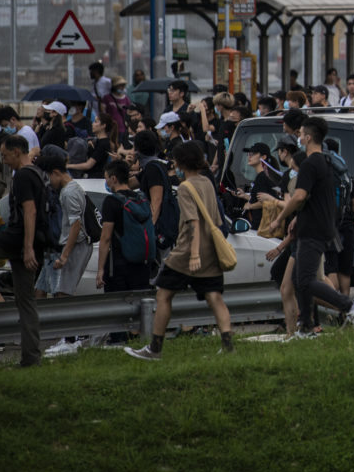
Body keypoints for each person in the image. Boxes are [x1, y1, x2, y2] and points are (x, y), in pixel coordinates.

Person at [125, 144, 238, 360]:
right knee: (214, 297)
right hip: (211, 251)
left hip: (187, 252)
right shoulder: (207, 182)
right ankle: (227, 345)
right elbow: (215, 218)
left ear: (182, 162)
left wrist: (194, 254)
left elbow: (192, 222)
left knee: (163, 295)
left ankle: (155, 348)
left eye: (175, 161)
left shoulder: (186, 187)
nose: (173, 165)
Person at [262, 117, 354, 338]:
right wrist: (297, 218)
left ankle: (350, 306)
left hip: (313, 230)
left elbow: (299, 196)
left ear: (308, 138)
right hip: (313, 226)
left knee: (306, 281)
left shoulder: (310, 164)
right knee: (299, 281)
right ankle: (306, 327)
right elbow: (314, 198)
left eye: (301, 134)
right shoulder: (325, 161)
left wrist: (279, 217)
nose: (299, 138)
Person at [0, 134, 46, 366]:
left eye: (4, 156)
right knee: (26, 304)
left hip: (14, 240)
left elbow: (30, 211)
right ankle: (31, 359)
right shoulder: (38, 173)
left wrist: (27, 248)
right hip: (32, 244)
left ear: (17, 151)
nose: (3, 161)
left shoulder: (23, 175)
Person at [35, 153, 94, 298]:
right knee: (40, 289)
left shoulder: (69, 193)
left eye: (49, 177)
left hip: (75, 246)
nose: (49, 182)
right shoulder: (71, 188)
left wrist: (65, 256)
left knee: (63, 293)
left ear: (55, 173)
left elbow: (76, 225)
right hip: (66, 246)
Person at [96, 159, 156, 292]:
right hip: (142, 265)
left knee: (118, 303)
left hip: (119, 266)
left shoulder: (111, 201)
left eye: (106, 178)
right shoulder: (142, 198)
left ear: (113, 178)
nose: (106, 182)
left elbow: (106, 238)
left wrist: (100, 270)